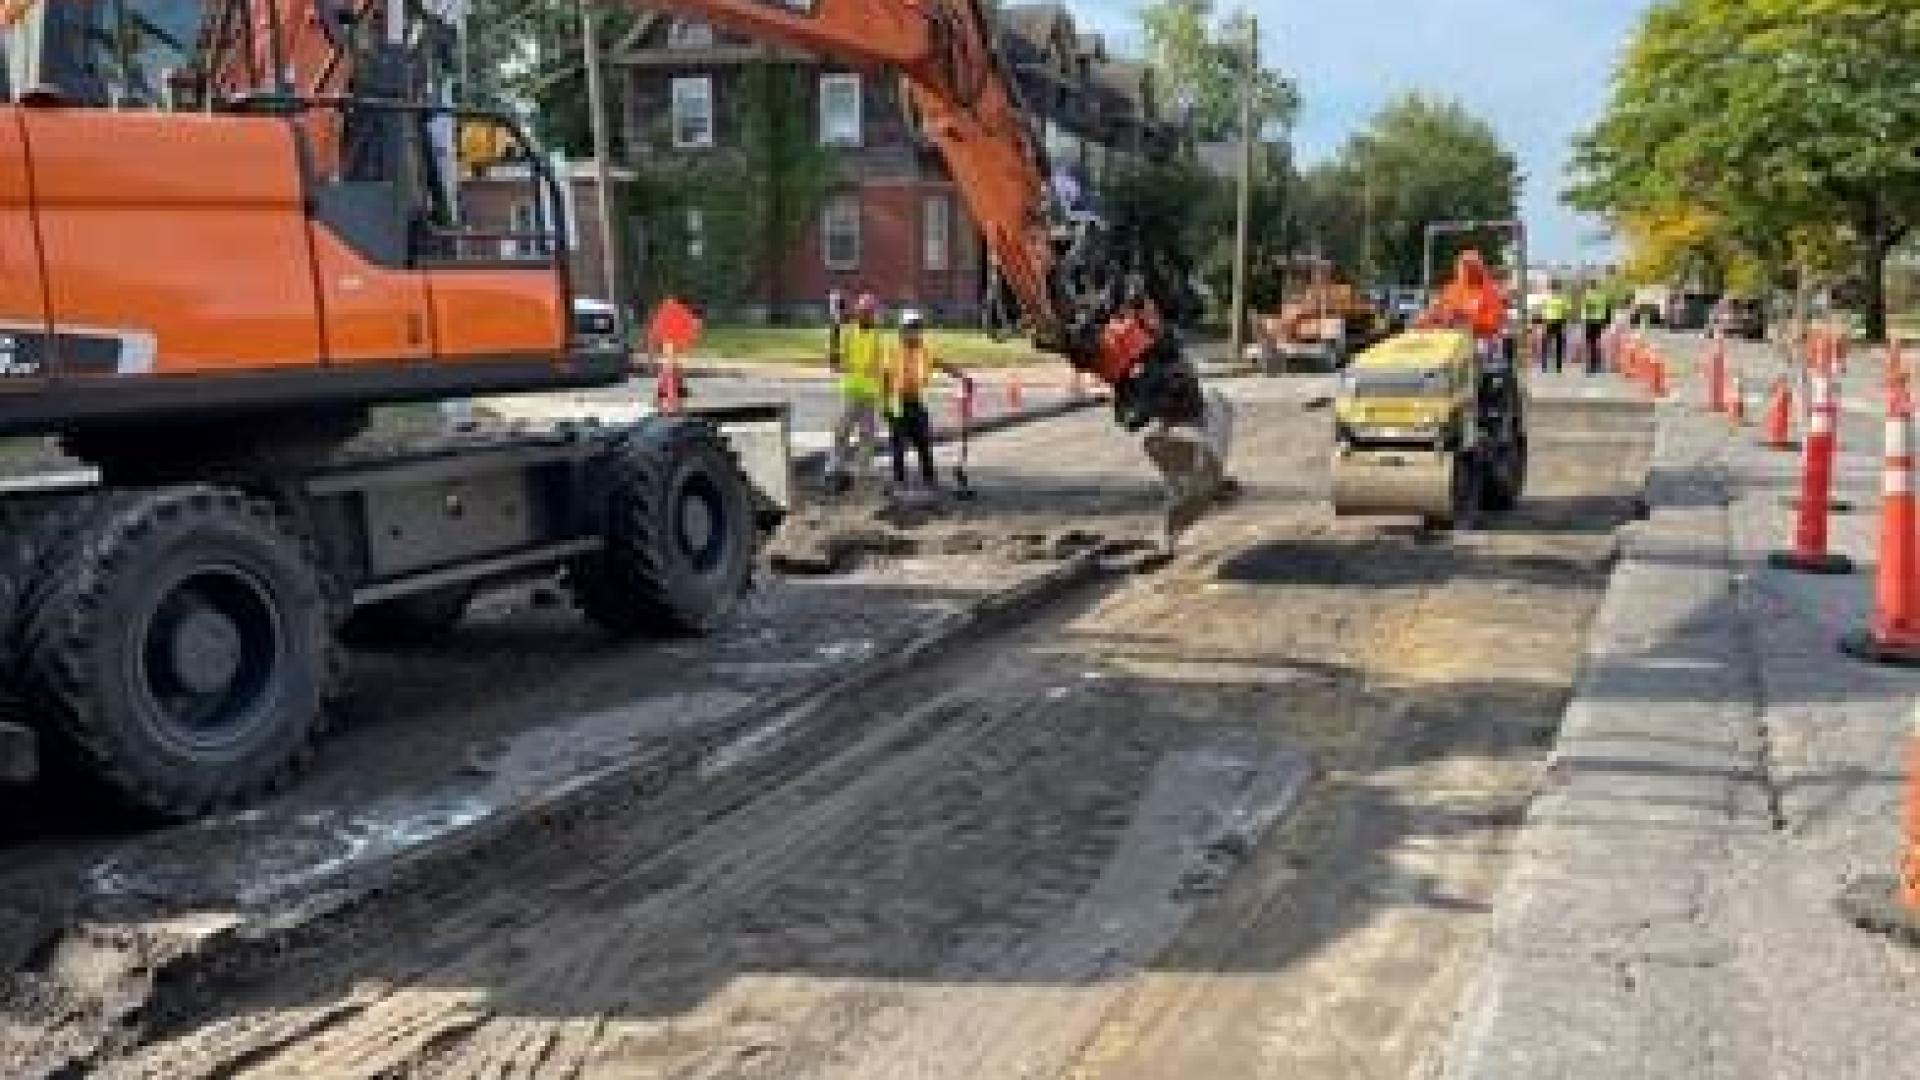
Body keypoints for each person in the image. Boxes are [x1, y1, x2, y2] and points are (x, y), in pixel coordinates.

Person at [882, 310, 971, 492]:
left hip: (915, 400)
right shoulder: (893, 351)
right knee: (898, 444)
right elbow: (884, 377)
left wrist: (962, 376)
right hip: (896, 401)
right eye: (910, 327)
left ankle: (929, 480)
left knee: (923, 441)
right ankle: (899, 481)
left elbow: (940, 363)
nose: (914, 331)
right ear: (902, 330)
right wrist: (885, 404)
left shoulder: (924, 351)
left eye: (917, 327)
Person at [825, 293, 884, 493]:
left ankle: (862, 471)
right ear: (858, 312)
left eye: (870, 311)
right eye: (864, 311)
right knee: (842, 431)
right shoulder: (849, 332)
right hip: (851, 391)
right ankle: (835, 468)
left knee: (867, 435)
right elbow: (837, 360)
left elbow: (878, 363)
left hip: (870, 393)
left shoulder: (876, 335)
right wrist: (838, 361)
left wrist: (882, 387)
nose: (867, 314)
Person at [1418, 249, 1508, 343]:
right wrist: (1428, 318)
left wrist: (1465, 317)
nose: (1466, 270)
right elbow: (1438, 310)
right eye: (1463, 265)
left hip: (1481, 341)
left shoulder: (1490, 291)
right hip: (1451, 339)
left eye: (1471, 266)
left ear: (1480, 267)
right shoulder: (1451, 289)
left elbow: (1494, 323)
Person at [1579, 282, 1612, 375]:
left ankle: (1590, 365)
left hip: (1590, 322)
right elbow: (1608, 310)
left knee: (1590, 344)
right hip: (1600, 322)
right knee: (1598, 343)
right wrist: (1607, 322)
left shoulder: (1588, 296)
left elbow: (1584, 310)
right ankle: (1597, 363)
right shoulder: (1602, 296)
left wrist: (1583, 322)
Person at [1538, 279, 1570, 373]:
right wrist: (1565, 323)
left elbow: (1543, 312)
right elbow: (1566, 312)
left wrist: (1543, 323)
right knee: (1558, 345)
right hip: (1558, 322)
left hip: (1549, 322)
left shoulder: (1547, 299)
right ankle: (1558, 366)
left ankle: (1544, 365)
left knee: (1546, 344)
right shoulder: (1563, 299)